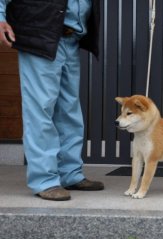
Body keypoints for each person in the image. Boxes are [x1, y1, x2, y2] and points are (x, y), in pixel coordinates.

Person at [0, 0, 104, 201]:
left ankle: (70, 174)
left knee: (69, 110)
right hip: (40, 37)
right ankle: (44, 181)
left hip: (70, 39)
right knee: (40, 110)